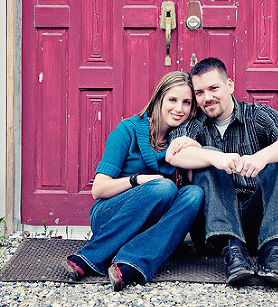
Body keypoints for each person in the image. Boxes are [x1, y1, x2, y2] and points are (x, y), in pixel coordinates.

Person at [166, 57, 278, 287]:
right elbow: (174, 154)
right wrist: (215, 157)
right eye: (199, 92)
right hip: (213, 231)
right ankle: (234, 254)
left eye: (213, 88)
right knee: (204, 157)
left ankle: (272, 254)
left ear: (230, 85)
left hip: (256, 225)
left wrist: (263, 157)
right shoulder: (194, 123)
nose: (207, 98)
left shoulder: (257, 115)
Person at [62, 71, 204, 291]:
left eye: (186, 103)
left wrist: (195, 149)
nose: (179, 109)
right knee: (164, 187)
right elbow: (98, 190)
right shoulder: (127, 130)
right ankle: (92, 257)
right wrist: (138, 180)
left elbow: (189, 186)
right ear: (159, 99)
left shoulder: (180, 139)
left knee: (195, 193)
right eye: (173, 100)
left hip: (152, 227)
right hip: (110, 216)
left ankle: (131, 263)